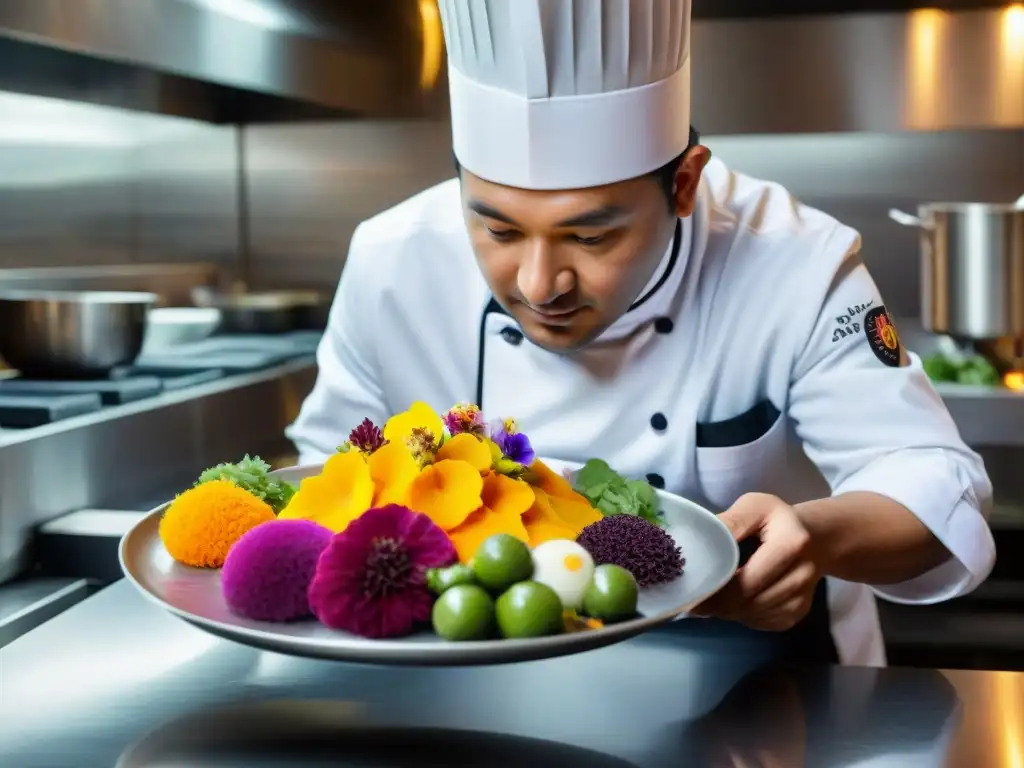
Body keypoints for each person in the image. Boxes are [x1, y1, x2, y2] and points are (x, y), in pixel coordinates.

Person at [286, 0, 995, 666]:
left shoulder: (794, 263)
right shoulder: (392, 262)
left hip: (766, 686)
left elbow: (933, 480)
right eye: (497, 228)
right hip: (474, 681)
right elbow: (328, 482)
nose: (539, 283)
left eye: (591, 236)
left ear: (684, 184)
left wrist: (816, 535)